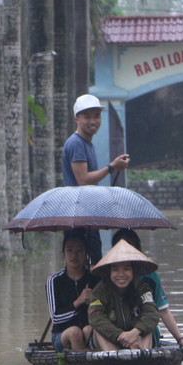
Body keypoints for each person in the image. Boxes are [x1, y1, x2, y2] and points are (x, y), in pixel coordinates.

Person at [61, 94, 131, 263]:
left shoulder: (86, 144)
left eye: (97, 116)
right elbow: (83, 180)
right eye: (87, 116)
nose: (93, 121)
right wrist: (112, 167)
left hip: (87, 213)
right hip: (78, 215)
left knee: (94, 264)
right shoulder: (76, 144)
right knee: (86, 267)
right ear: (76, 119)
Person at [111, 228, 183, 350]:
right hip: (116, 332)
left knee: (147, 330)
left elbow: (162, 311)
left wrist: (181, 340)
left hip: (144, 331)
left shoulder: (149, 277)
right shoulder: (107, 276)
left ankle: (142, 360)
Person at [88, 240, 160, 351]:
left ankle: (142, 359)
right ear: (109, 272)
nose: (121, 274)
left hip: (136, 337)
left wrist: (135, 332)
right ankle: (113, 362)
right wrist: (120, 336)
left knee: (148, 330)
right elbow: (95, 317)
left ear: (133, 271)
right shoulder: (100, 291)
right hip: (111, 338)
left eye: (126, 268)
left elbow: (152, 313)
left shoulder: (143, 288)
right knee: (98, 331)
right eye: (115, 269)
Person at [46, 231, 98, 352]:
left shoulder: (94, 279)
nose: (74, 255)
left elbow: (100, 313)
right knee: (75, 332)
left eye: (79, 250)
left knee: (88, 330)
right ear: (63, 253)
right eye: (69, 250)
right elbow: (55, 317)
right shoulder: (54, 281)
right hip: (61, 335)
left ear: (86, 254)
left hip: (87, 330)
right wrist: (78, 301)